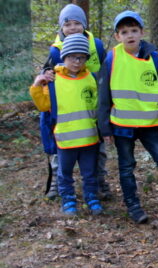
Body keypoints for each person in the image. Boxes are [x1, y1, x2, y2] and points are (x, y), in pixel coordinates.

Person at [97, 10, 158, 224]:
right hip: (122, 124)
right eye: (124, 32)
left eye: (134, 30)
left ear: (141, 32)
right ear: (118, 36)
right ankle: (133, 205)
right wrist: (105, 127)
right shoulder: (111, 58)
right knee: (126, 166)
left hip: (149, 122)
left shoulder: (153, 56)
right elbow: (103, 95)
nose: (130, 35)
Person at [30, 34, 103, 216]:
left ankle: (91, 197)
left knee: (89, 172)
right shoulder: (54, 80)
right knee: (65, 173)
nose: (77, 62)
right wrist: (37, 87)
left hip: (89, 139)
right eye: (72, 57)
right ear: (64, 57)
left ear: (86, 58)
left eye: (81, 57)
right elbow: (43, 105)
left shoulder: (90, 79)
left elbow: (96, 107)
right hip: (65, 139)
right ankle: (68, 199)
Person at [41, 4, 108, 200]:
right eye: (67, 24)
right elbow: (46, 73)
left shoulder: (96, 44)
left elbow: (107, 68)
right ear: (61, 28)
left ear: (84, 25)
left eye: (77, 23)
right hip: (65, 109)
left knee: (98, 149)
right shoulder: (55, 51)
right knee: (59, 149)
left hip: (91, 104)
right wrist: (44, 76)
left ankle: (99, 182)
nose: (72, 27)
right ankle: (56, 182)